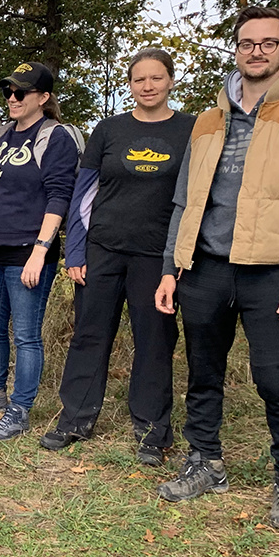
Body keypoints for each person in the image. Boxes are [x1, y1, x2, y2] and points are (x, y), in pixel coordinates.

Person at [154, 7, 279, 531]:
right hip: (206, 267)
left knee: (276, 376)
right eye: (246, 43)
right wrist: (173, 268)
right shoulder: (208, 120)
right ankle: (205, 461)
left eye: (268, 42)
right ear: (235, 49)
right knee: (203, 370)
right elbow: (182, 202)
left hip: (274, 272)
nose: (256, 51)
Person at [41, 49, 194, 464]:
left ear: (170, 81)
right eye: (139, 79)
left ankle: (152, 430)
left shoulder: (192, 131)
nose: (148, 86)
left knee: (155, 341)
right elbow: (82, 193)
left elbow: (194, 201)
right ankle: (75, 418)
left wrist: (179, 260)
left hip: (157, 258)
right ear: (130, 84)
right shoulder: (109, 130)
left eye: (156, 78)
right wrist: (75, 249)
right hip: (102, 251)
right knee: (90, 334)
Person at [0, 62, 79, 440]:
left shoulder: (54, 137)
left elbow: (60, 197)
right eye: (8, 91)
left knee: (26, 335)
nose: (12, 98)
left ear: (43, 98)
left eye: (21, 92)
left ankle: (20, 408)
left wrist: (41, 251)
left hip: (28, 251)